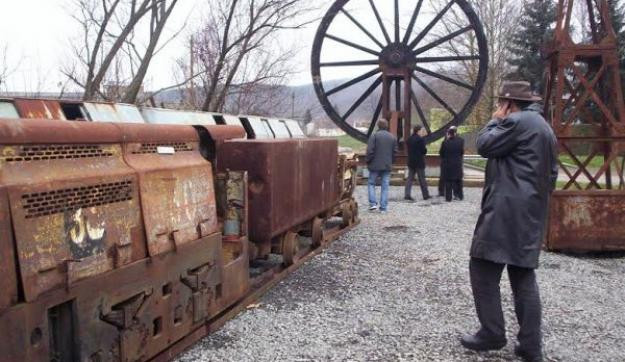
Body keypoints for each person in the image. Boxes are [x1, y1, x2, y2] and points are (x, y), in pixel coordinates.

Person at [460, 81, 558, 362]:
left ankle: (492, 333)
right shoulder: (544, 127)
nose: (498, 108)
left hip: (505, 212)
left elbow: (484, 145)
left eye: (501, 103)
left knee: (481, 267)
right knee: (522, 274)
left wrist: (494, 121)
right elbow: (551, 175)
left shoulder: (515, 122)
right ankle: (531, 345)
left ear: (509, 103)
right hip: (530, 212)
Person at [366, 119, 398, 212]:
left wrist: (368, 161)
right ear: (387, 126)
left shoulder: (374, 136)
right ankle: (383, 207)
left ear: (378, 126)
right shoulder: (392, 137)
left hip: (375, 165)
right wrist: (391, 162)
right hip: (387, 165)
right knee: (385, 186)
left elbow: (370, 151)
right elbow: (395, 152)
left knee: (371, 183)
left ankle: (373, 204)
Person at [404, 125, 430, 201]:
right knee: (422, 179)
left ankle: (407, 194)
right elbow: (424, 151)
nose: (422, 132)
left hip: (411, 161)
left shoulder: (409, 139)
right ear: (418, 131)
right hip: (419, 162)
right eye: (421, 130)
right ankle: (425, 195)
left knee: (409, 179)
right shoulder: (420, 140)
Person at [439, 126, 464, 201]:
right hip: (457, 163)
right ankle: (459, 196)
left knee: (448, 181)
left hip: (448, 164)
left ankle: (448, 197)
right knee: (458, 180)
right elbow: (461, 152)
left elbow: (441, 153)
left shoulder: (445, 143)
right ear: (455, 133)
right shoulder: (460, 141)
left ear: (448, 134)